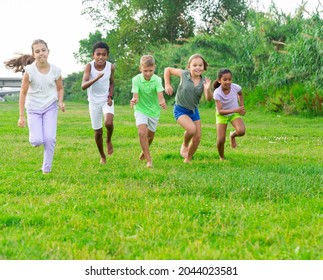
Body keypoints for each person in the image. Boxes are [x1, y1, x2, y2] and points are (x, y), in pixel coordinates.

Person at [4, 39, 65, 174]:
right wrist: (21, 116)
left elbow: (60, 88)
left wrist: (60, 101)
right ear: (33, 54)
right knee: (37, 141)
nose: (41, 53)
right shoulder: (29, 71)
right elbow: (23, 92)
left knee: (50, 139)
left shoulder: (56, 70)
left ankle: (46, 169)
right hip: (33, 108)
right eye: (37, 51)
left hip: (50, 106)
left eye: (43, 50)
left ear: (48, 51)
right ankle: (35, 140)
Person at [164, 54, 212, 164]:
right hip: (180, 109)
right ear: (189, 67)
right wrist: (167, 84)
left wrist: (208, 89)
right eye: (194, 65)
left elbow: (209, 99)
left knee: (197, 137)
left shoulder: (204, 82)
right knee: (191, 130)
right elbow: (168, 70)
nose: (198, 67)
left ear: (204, 67)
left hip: (193, 111)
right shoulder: (184, 75)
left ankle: (188, 159)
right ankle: (185, 144)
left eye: (200, 65)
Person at [81, 41, 115, 164]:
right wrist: (95, 78)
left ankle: (108, 140)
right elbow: (83, 86)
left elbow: (112, 82)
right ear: (93, 55)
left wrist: (110, 96)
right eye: (98, 54)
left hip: (106, 99)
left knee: (109, 122)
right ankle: (102, 156)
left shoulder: (110, 66)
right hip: (93, 102)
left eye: (104, 54)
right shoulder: (89, 67)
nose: (101, 57)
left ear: (107, 56)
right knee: (98, 131)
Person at [130, 55, 167, 168]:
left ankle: (144, 152)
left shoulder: (157, 79)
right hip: (141, 109)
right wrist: (133, 100)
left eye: (150, 71)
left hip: (154, 111)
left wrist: (162, 102)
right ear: (140, 68)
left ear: (154, 68)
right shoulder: (136, 80)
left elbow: (160, 95)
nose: (148, 73)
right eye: (145, 71)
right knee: (142, 132)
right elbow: (135, 96)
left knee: (150, 137)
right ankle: (149, 160)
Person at [213, 68, 246, 160]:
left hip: (234, 114)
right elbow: (220, 111)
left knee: (241, 131)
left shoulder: (236, 87)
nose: (228, 82)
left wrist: (242, 106)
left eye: (229, 79)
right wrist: (236, 109)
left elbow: (240, 94)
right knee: (221, 140)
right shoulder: (217, 93)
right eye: (225, 79)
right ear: (219, 80)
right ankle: (222, 157)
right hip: (222, 116)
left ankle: (232, 135)